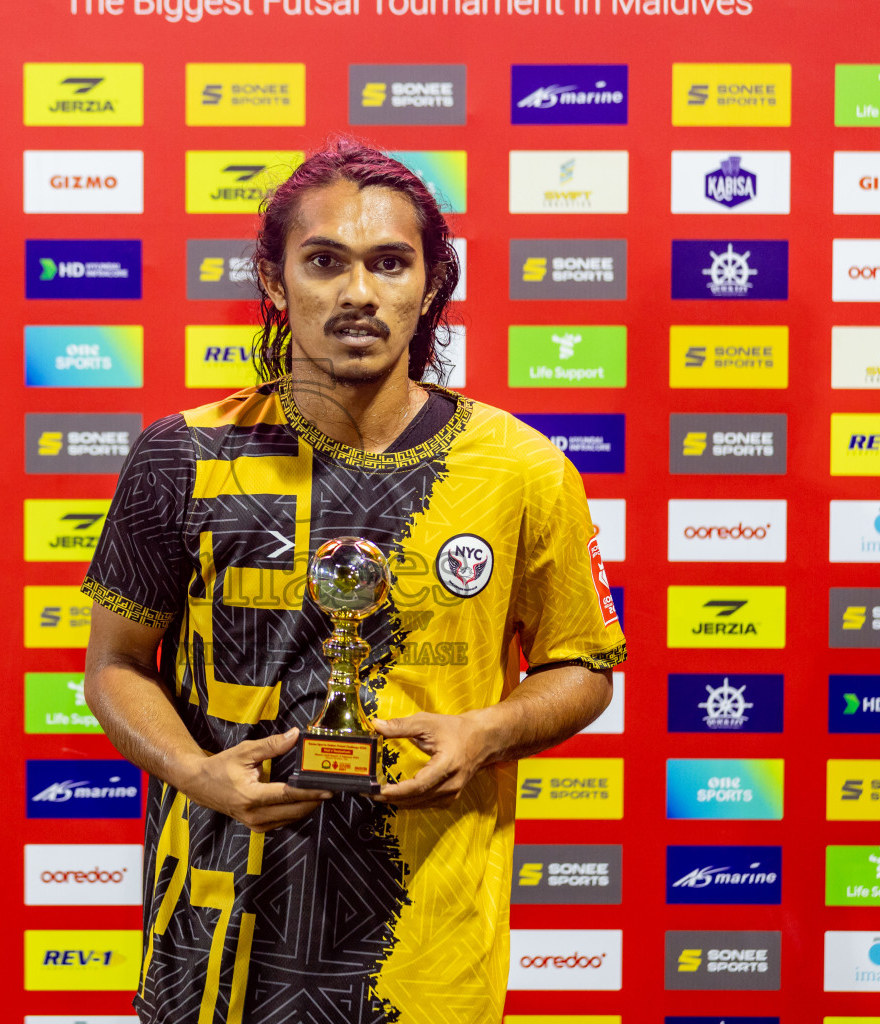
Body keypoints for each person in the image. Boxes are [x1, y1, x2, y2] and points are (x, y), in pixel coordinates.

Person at [81, 136, 627, 1024]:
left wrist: (484, 732)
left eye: (390, 263)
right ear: (273, 279)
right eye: (325, 261)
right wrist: (196, 771)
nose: (359, 293)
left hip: (426, 948)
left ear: (432, 283)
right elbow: (115, 666)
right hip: (216, 939)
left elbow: (584, 666)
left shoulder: (523, 470)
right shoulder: (180, 454)